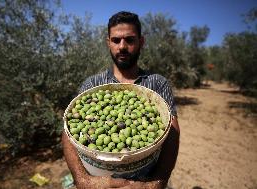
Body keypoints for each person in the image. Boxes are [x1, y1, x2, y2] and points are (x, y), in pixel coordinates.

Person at [62, 11, 180, 189]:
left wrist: (158, 182)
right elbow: (68, 132)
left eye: (130, 40)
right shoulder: (93, 84)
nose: (122, 46)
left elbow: (172, 132)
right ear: (108, 42)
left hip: (146, 180)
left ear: (141, 42)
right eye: (116, 40)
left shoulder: (157, 83)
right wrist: (82, 179)